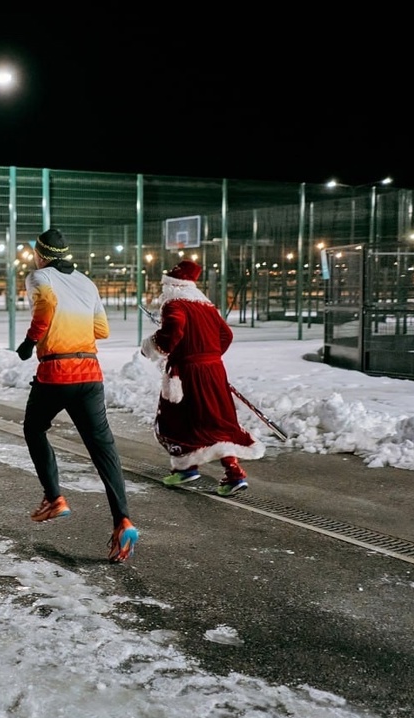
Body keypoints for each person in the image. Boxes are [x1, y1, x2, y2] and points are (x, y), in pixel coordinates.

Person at [16, 228, 139, 563]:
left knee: (34, 428)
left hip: (56, 372)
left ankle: (55, 498)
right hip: (90, 374)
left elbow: (46, 307)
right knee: (103, 449)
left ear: (40, 254)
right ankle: (123, 520)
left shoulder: (39, 276)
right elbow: (102, 330)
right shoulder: (87, 282)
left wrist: (30, 341)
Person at [140, 259, 266, 496]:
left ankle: (186, 469)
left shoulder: (174, 304)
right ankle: (233, 472)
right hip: (213, 371)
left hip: (186, 375)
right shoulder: (206, 306)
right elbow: (226, 335)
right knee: (214, 421)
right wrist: (208, 357)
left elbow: (173, 331)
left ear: (173, 285)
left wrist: (152, 346)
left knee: (177, 421)